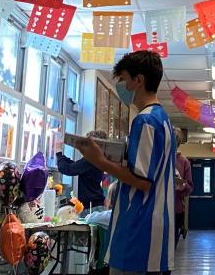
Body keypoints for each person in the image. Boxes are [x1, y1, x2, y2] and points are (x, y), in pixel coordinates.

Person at [75, 51, 175, 275]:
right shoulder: (163, 120)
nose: (122, 86)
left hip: (139, 229)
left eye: (124, 79)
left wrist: (99, 160)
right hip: (151, 228)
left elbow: (143, 181)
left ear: (139, 81)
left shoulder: (146, 121)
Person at [56, 129, 108, 209]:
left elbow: (66, 169)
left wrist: (58, 150)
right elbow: (74, 165)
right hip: (96, 204)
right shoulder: (96, 159)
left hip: (91, 206)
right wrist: (62, 157)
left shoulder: (90, 160)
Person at [173, 127, 193, 246]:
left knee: (171, 247)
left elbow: (189, 187)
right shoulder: (156, 159)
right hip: (156, 209)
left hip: (176, 209)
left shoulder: (183, 162)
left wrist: (182, 186)